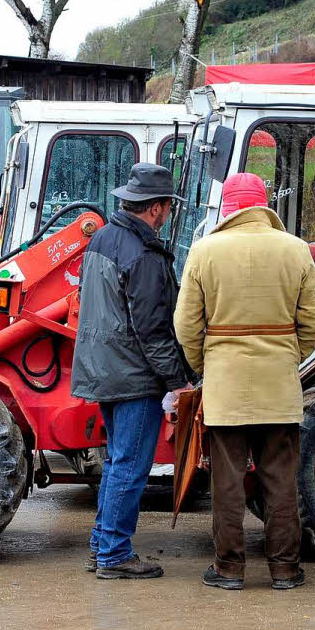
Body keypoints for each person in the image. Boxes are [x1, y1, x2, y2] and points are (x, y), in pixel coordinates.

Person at [173, 172, 315, 591]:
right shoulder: (295, 250)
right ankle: (285, 569)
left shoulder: (204, 252)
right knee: (280, 479)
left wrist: (205, 365)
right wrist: (289, 355)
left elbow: (186, 326)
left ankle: (229, 569)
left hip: (226, 387)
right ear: (263, 206)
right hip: (279, 385)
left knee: (226, 482)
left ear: (227, 211)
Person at [70, 162, 191, 580]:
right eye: (168, 207)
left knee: (117, 462)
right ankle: (114, 555)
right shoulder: (143, 254)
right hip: (134, 376)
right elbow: (153, 329)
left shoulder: (103, 238)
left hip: (104, 370)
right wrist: (178, 382)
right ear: (156, 208)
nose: (169, 214)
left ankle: (102, 546)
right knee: (130, 467)